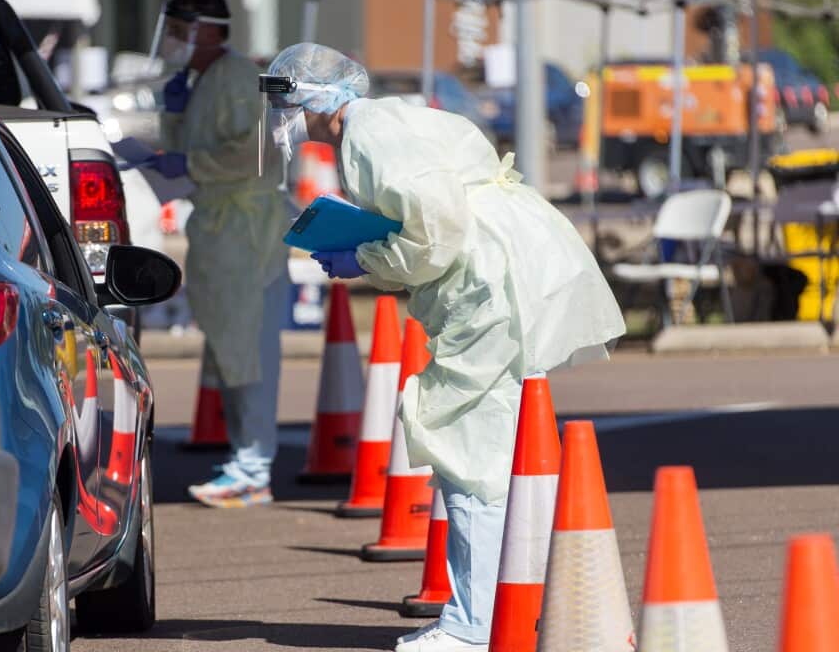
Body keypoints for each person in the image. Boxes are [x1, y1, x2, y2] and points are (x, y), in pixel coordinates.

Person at [260, 43, 625, 651]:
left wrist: (365, 256)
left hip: (482, 286)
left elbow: (437, 229)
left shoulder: (369, 135)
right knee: (488, 450)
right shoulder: (381, 123)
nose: (284, 120)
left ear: (310, 99)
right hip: (491, 277)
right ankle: (502, 611)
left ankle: (473, 626)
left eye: (286, 101)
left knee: (469, 455)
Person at [144, 0, 291, 508]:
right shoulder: (204, 79)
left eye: (182, 30)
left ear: (207, 30)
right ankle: (243, 459)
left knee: (247, 352)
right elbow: (195, 150)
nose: (175, 41)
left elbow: (252, 156)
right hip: (221, 229)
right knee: (232, 351)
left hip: (246, 233)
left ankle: (253, 466)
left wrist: (189, 163)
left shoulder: (239, 78)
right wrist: (176, 120)